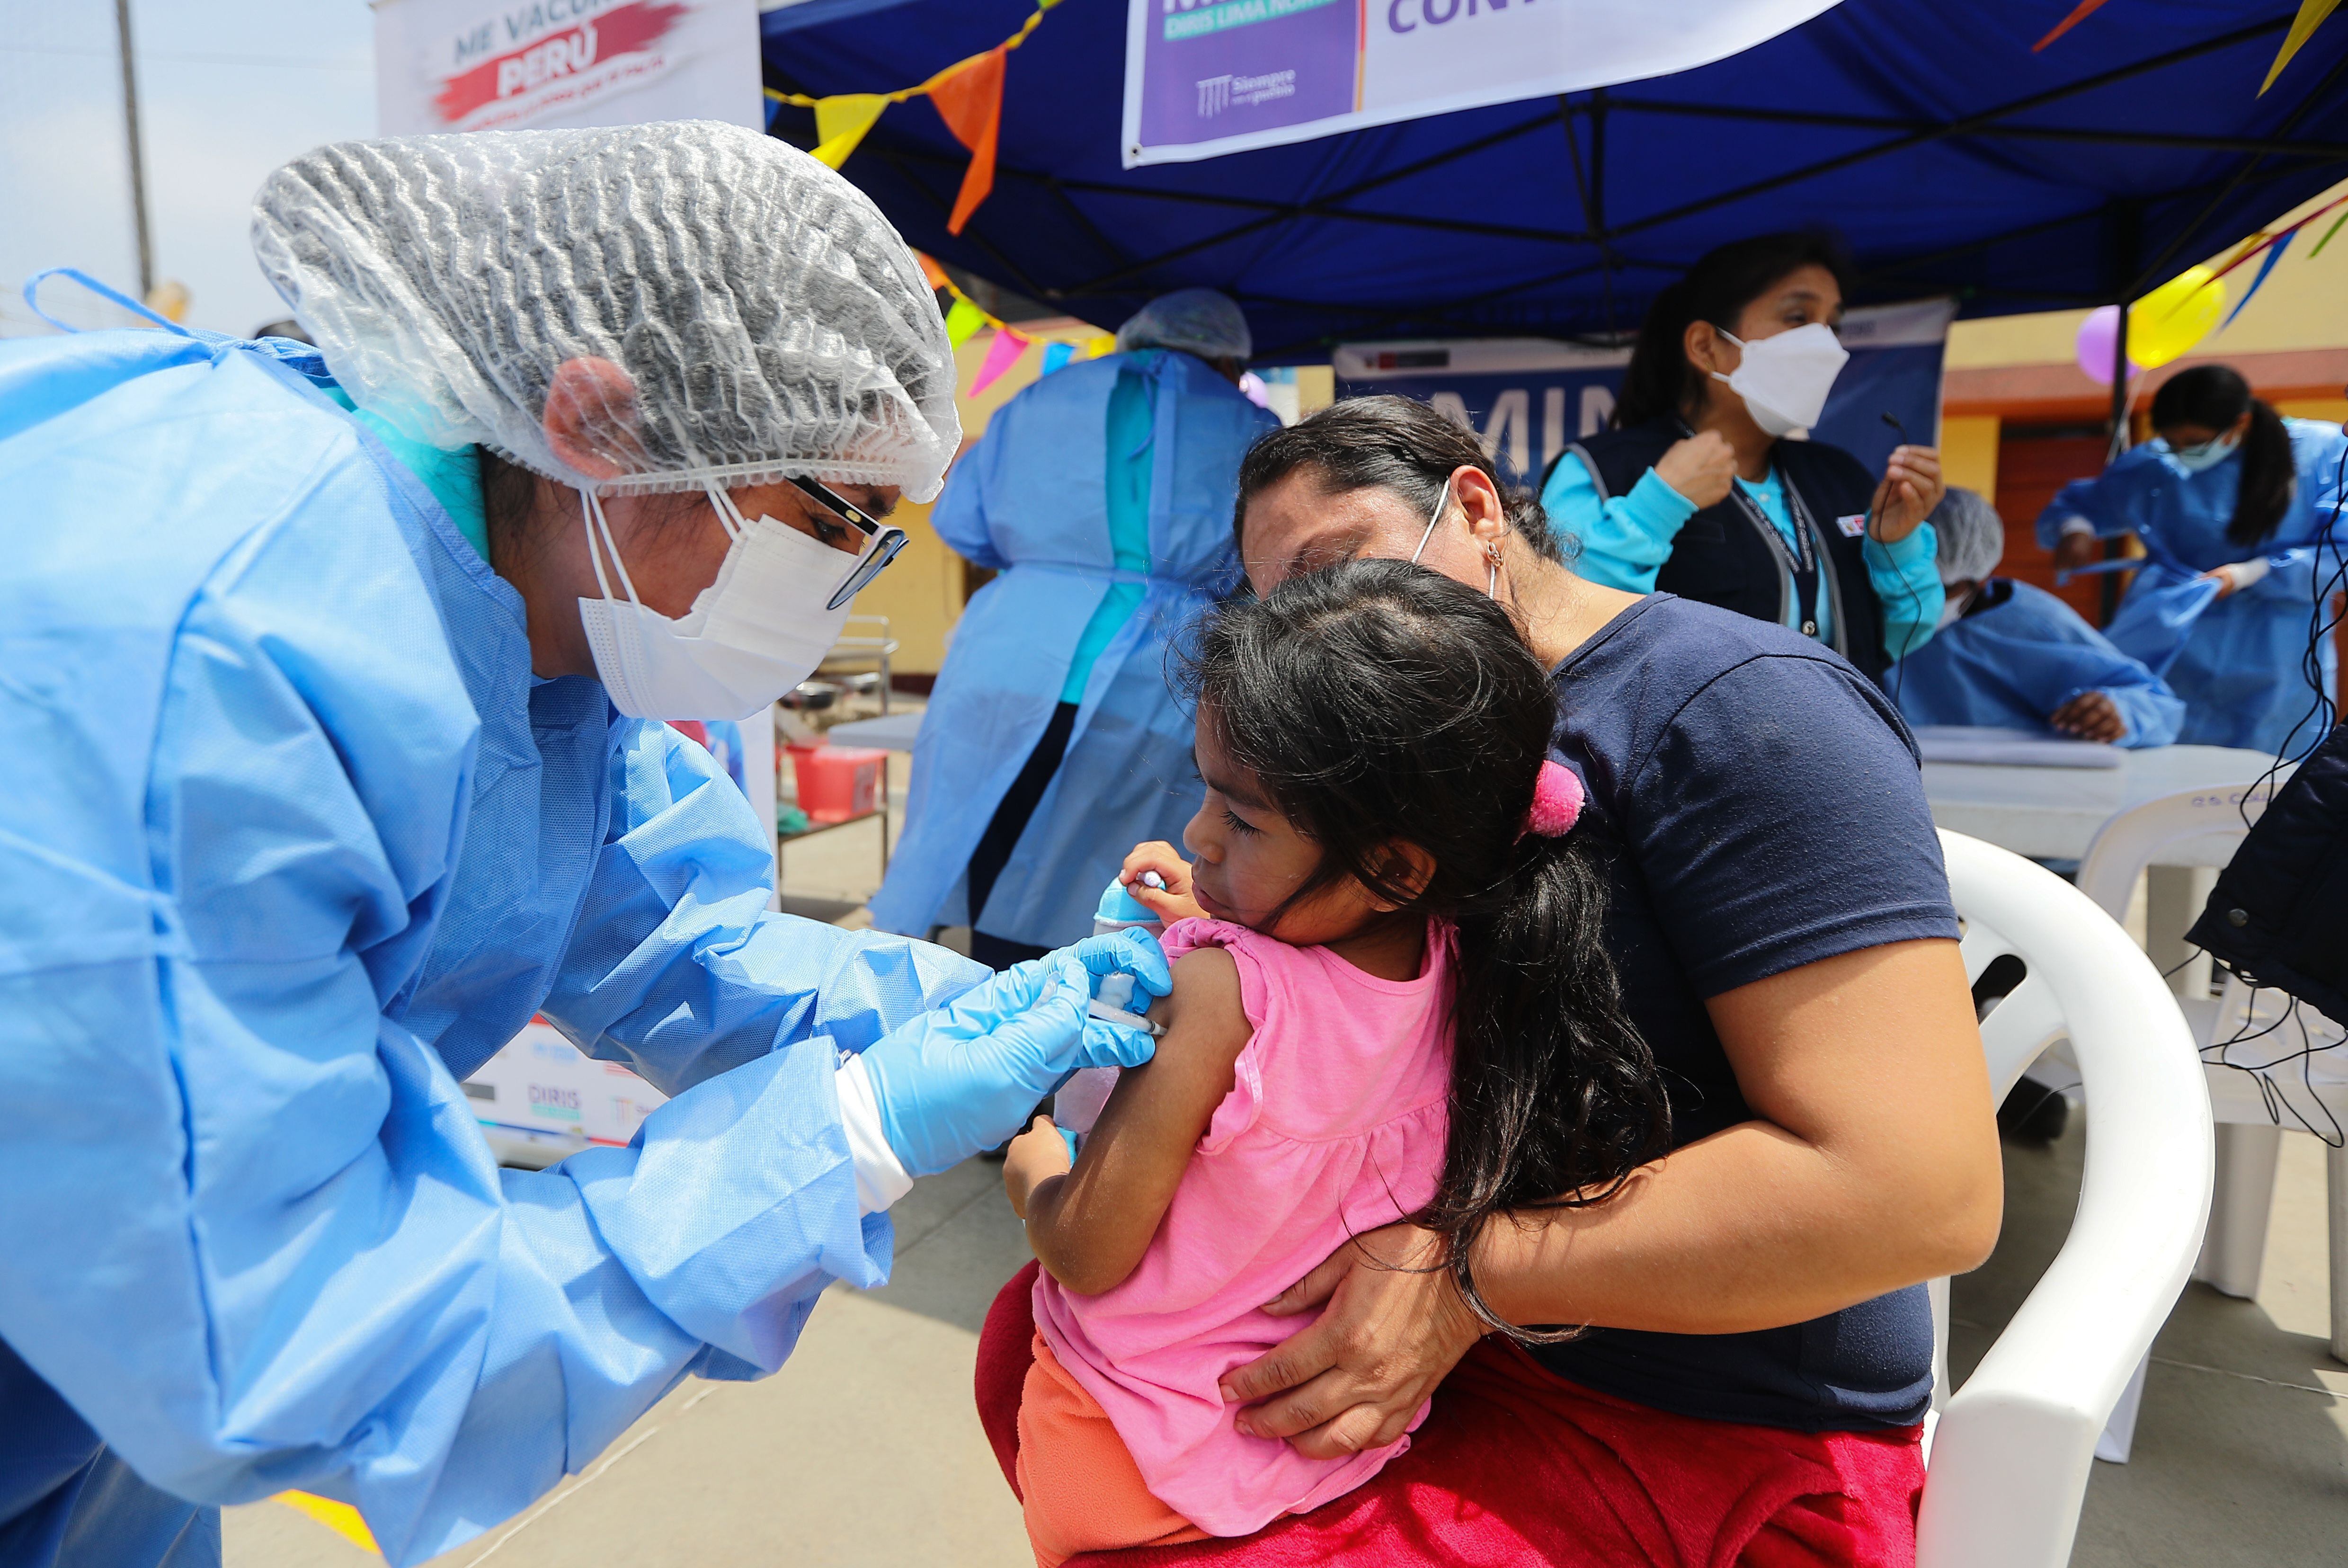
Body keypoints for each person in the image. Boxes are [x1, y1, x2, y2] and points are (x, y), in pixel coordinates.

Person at [0, 123, 1171, 1568]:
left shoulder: (538, 613)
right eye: (834, 518)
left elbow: (683, 943)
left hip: (91, 1427)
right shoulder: (211, 659)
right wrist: (849, 1138)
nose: (845, 584)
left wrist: (996, 1015)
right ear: (598, 423)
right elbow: (309, 1350)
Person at [975, 395, 2001, 1563]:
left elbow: (1918, 1190)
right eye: (1279, 602)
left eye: (1333, 565)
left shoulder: (1743, 713)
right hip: (1454, 1332)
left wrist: (1465, 1272)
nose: (1316, 624)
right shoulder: (1396, 738)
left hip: (1689, 1404)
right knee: (1047, 1348)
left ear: (1472, 507)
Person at [996, 561, 1656, 1565]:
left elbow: (1088, 1251)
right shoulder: (1462, 960)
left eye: (1241, 819)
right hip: (1328, 1450)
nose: (1196, 835)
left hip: (1123, 1457)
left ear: (1393, 867)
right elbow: (1324, 1027)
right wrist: (1217, 911)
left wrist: (1036, 1173)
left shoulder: (1216, 997)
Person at [871, 289, 1280, 969]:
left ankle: (943, 1007)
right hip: (1159, 673)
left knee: (968, 837)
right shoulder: (1253, 429)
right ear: (1232, 359)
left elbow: (961, 521)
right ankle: (1058, 1032)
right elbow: (1271, 563)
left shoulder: (1042, 396)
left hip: (1013, 650)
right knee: (1096, 879)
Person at [1540, 232, 1946, 686]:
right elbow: (1559, 628)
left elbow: (1903, 637)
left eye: (1833, 324)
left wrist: (1897, 546)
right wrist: (1655, 508)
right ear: (1705, 347)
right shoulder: (1601, 471)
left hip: (1840, 754)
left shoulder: (1842, 477)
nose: (1826, 346)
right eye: (1798, 317)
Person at [2039, 363, 2348, 756]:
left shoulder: (2324, 455)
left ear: (2241, 423)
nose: (2183, 456)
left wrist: (2251, 574)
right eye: (2173, 443)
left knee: (2265, 775)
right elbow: (2084, 503)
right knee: (2157, 754)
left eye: (2197, 443)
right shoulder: (2156, 462)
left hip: (2277, 652)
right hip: (2171, 639)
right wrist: (2076, 530)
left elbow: (2341, 552)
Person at [1894, 487, 2185, 748]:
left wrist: (2118, 712)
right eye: (1900, 585)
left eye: (1936, 589)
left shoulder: (2031, 626)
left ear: (1980, 578)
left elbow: (2158, 704)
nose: (1911, 604)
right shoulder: (1862, 618)